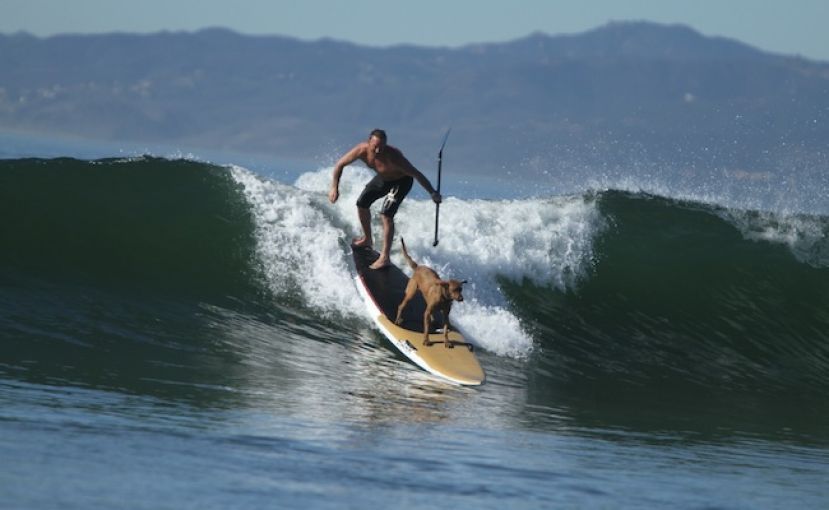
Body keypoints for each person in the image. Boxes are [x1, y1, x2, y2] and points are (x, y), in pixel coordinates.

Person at [329, 129, 442, 269]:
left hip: (402, 181)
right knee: (362, 204)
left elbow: (416, 174)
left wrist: (432, 193)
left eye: (381, 147)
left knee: (386, 215)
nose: (377, 151)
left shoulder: (394, 157)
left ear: (386, 145)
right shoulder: (360, 150)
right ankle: (367, 239)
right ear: (369, 141)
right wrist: (335, 187)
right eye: (374, 146)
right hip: (383, 179)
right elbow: (340, 164)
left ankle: (385, 257)